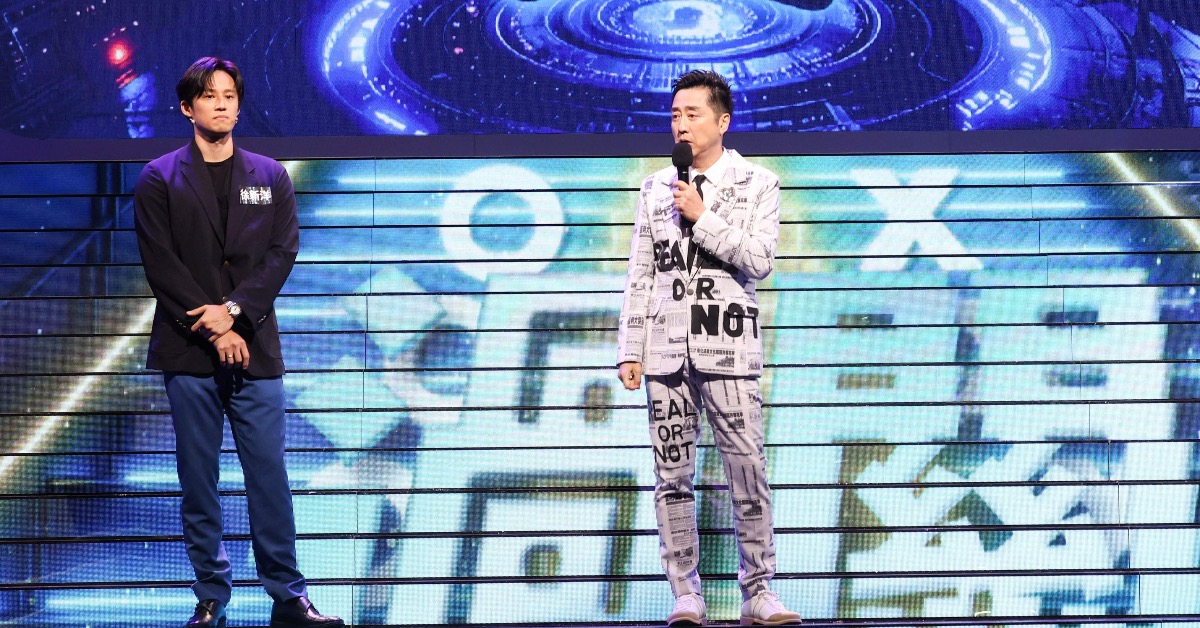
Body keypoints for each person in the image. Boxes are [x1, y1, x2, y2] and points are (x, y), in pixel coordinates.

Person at [133, 56, 343, 628]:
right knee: (198, 481)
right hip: (188, 351)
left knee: (269, 477)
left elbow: (282, 253)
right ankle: (211, 597)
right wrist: (212, 327)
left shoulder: (270, 176)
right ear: (187, 107)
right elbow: (161, 264)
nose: (222, 104)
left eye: (230, 95)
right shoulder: (159, 177)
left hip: (255, 347)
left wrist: (232, 314)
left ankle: (289, 597)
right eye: (210, 95)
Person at [616, 69, 801, 626]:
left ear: (722, 121)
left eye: (692, 114)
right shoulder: (655, 188)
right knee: (672, 478)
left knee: (747, 470)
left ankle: (759, 591)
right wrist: (630, 348)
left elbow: (760, 260)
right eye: (675, 114)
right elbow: (641, 273)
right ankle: (685, 594)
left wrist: (704, 216)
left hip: (730, 349)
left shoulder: (758, 183)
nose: (681, 124)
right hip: (665, 353)